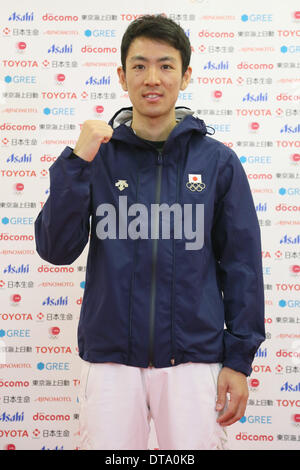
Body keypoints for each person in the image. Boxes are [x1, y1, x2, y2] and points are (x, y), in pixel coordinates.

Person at [34, 15, 265, 450]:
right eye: (139, 66)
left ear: (186, 75)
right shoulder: (95, 159)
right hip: (109, 360)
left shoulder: (217, 162)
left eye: (165, 65)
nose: (152, 78)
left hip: (194, 359)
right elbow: (55, 249)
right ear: (122, 76)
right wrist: (76, 163)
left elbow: (242, 268)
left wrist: (239, 360)